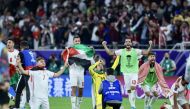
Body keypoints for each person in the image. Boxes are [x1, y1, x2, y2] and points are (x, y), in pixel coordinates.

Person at [102, 37, 152, 109]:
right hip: (126, 74)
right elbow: (110, 53)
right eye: (126, 41)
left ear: (131, 43)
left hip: (134, 73)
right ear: (125, 43)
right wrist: (104, 45)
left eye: (129, 41)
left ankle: (134, 104)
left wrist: (150, 45)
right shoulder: (121, 51)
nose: (128, 42)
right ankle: (133, 106)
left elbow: (146, 53)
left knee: (133, 87)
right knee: (129, 91)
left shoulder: (136, 51)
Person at [15, 41, 36, 108]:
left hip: (26, 74)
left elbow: (18, 63)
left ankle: (17, 106)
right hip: (34, 74)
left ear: (21, 47)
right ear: (28, 47)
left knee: (18, 91)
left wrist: (18, 69)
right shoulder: (32, 53)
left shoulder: (21, 53)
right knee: (30, 92)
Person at [69, 36, 85, 109]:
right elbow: (66, 59)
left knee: (81, 90)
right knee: (74, 88)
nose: (77, 42)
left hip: (81, 71)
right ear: (73, 42)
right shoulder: (70, 50)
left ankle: (78, 106)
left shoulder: (84, 50)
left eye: (78, 41)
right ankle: (73, 107)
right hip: (73, 71)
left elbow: (87, 60)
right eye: (76, 41)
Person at [0, 30, 10, 109]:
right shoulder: (3, 47)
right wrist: (6, 81)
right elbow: (4, 65)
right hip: (1, 81)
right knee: (4, 104)